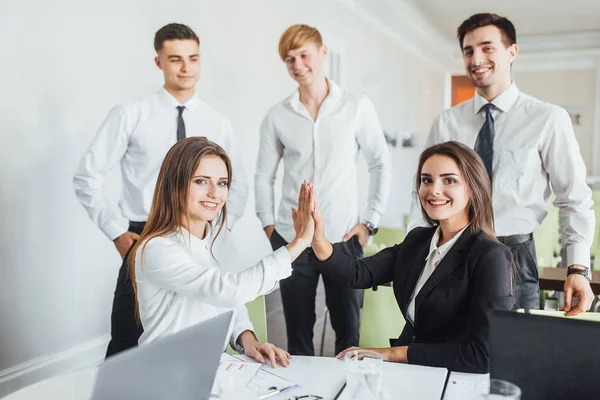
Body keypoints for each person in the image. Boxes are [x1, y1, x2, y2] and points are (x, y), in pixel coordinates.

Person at [73, 23, 249, 357]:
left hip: (201, 236)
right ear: (159, 62)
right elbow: (87, 175)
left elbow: (237, 182)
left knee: (197, 336)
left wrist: (218, 233)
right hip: (145, 235)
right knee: (126, 344)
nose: (186, 67)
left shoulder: (218, 122)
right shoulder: (130, 115)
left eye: (193, 58)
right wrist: (116, 232)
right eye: (175, 59)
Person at [407, 13, 595, 314]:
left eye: (486, 47)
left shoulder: (547, 119)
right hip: (451, 249)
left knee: (510, 353)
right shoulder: (446, 122)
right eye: (468, 51)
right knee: (443, 349)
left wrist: (578, 269)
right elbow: (421, 195)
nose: (476, 58)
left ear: (512, 52)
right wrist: (413, 255)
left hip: (514, 256)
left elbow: (574, 198)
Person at [309, 141, 514, 373]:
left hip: (455, 376)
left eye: (449, 180)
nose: (434, 190)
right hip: (411, 369)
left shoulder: (491, 256)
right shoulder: (418, 240)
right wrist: (318, 240)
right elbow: (358, 274)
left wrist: (393, 353)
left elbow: (482, 355)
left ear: (473, 188)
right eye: (427, 180)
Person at [255, 24, 391, 356]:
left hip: (343, 239)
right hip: (293, 239)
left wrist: (369, 223)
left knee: (348, 329)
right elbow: (263, 174)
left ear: (323, 52)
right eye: (290, 59)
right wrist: (270, 227)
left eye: (304, 55)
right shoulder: (277, 116)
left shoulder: (356, 106)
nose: (298, 65)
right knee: (298, 331)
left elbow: (380, 163)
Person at [131, 137, 315, 367]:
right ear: (174, 185)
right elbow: (228, 291)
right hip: (165, 374)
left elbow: (230, 305)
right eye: (201, 181)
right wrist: (300, 241)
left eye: (222, 183)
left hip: (212, 371)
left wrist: (248, 341)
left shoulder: (220, 239)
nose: (214, 193)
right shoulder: (157, 248)